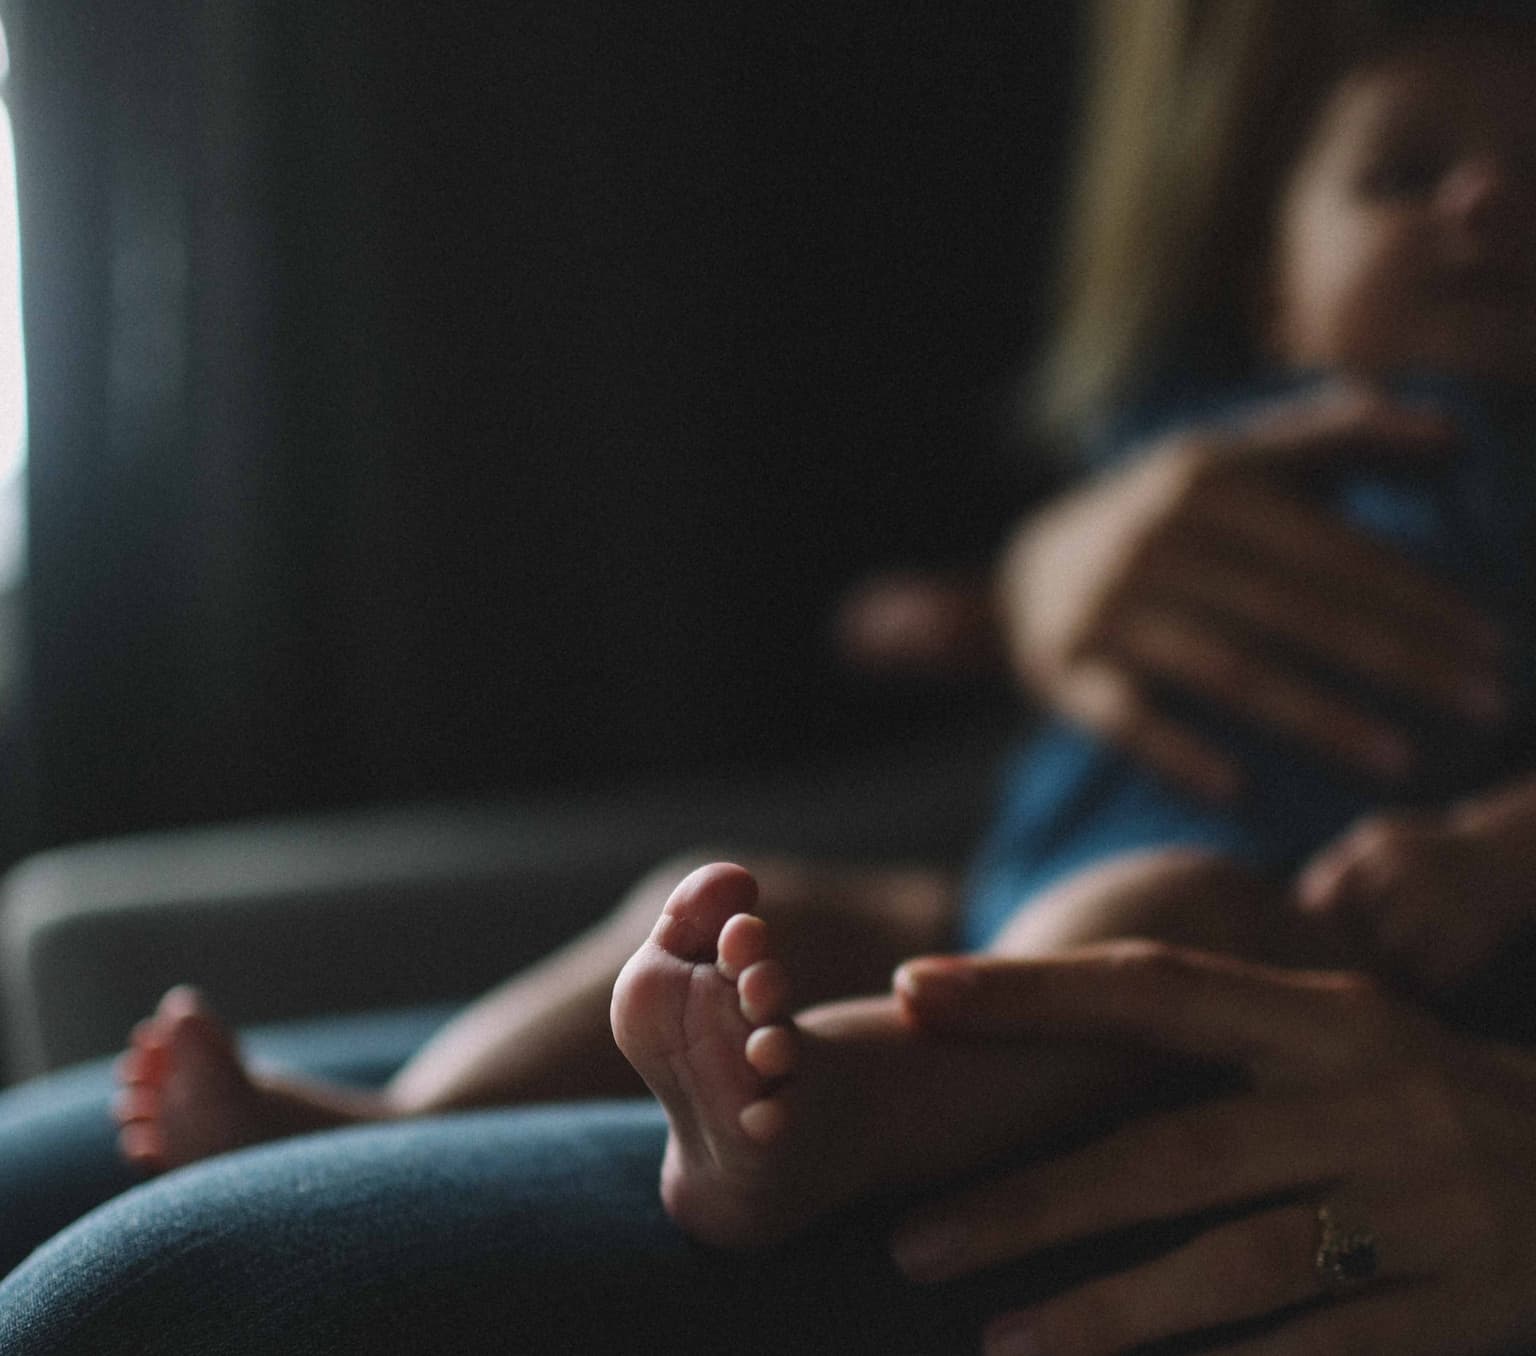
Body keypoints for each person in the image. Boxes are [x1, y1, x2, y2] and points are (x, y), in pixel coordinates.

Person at [7, 2, 1536, 1350]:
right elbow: (916, 620)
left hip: (1276, 925)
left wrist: (1486, 855)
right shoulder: (1212, 430)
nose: (1484, 206)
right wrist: (1014, 592)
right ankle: (391, 1117)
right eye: (1407, 174)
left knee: (1131, 941)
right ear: (1273, 280)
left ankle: (803, 1132)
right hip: (1000, 874)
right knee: (739, 896)